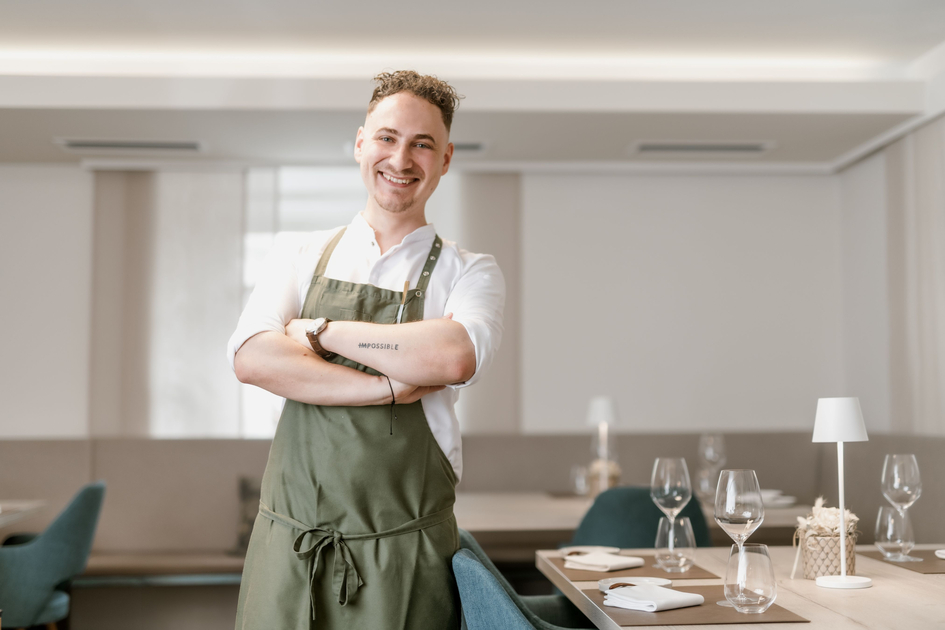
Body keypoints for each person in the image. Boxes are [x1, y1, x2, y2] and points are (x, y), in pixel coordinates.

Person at [227, 71, 505, 630]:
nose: (401, 159)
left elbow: (454, 357)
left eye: (422, 144)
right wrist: (385, 388)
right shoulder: (297, 253)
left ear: (445, 159)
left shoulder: (470, 271)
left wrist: (319, 332)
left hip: (406, 558)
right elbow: (253, 358)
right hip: (290, 550)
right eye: (387, 137)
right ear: (360, 143)